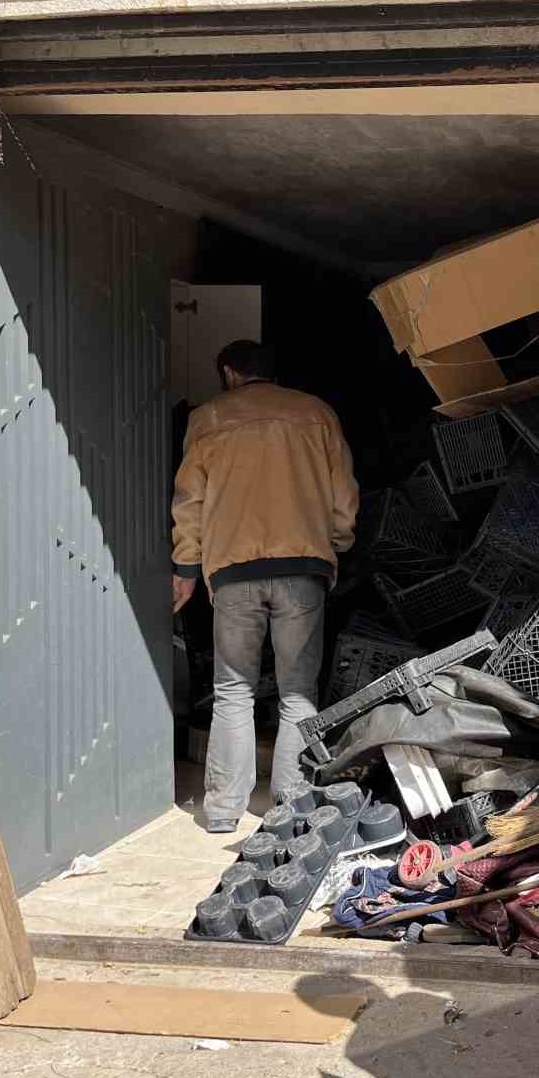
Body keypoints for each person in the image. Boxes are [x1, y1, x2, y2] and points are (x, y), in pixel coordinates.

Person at [172, 339, 359, 834]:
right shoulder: (317, 414)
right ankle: (289, 807)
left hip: (233, 572)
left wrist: (186, 568)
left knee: (233, 689)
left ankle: (221, 809)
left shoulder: (208, 420)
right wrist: (335, 542)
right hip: (303, 568)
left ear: (230, 373)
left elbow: (190, 500)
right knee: (298, 692)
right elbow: (343, 497)